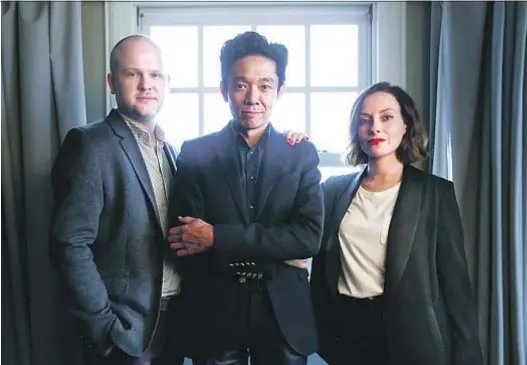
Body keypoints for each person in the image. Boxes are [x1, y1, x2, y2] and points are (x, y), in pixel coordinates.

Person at [166, 31, 323, 365]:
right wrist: (279, 249)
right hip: (214, 315)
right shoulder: (195, 154)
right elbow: (186, 242)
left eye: (265, 85)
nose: (253, 97)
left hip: (284, 317)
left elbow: (308, 238)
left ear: (279, 90)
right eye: (241, 85)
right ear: (224, 89)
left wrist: (217, 236)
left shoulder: (301, 154)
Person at [310, 82, 483, 365]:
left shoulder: (435, 193)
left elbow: (455, 285)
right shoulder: (333, 191)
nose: (374, 127)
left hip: (414, 339)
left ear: (406, 125)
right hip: (345, 336)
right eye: (365, 121)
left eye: (386, 117)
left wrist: (467, 356)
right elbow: (316, 264)